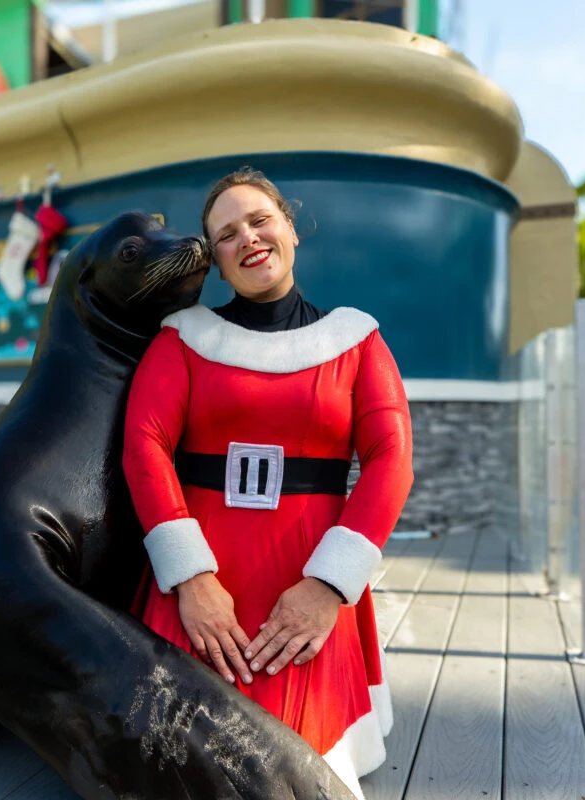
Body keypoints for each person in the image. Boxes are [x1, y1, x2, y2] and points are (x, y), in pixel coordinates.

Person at [121, 167, 414, 798]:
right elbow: (144, 448)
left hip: (307, 578)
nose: (248, 238)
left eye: (260, 220)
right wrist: (193, 581)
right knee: (173, 758)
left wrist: (328, 587)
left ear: (290, 227)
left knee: (298, 768)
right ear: (217, 262)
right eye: (227, 235)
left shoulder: (356, 340)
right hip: (202, 587)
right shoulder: (182, 341)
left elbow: (391, 459)